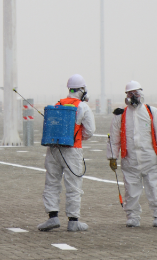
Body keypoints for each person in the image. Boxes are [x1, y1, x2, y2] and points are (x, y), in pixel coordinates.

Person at [106, 81, 157, 228]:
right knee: (131, 192)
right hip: (130, 160)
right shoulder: (120, 115)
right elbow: (114, 139)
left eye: (135, 93)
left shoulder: (152, 112)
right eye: (129, 93)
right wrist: (112, 157)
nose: (132, 96)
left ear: (141, 94)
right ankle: (132, 216)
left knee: (155, 189)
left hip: (150, 159)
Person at [38, 74, 95, 232]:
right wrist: (75, 137)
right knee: (74, 186)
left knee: (51, 184)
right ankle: (73, 221)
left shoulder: (57, 104)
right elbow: (90, 131)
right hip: (72, 151)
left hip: (53, 150)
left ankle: (52, 217)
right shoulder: (82, 107)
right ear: (82, 90)